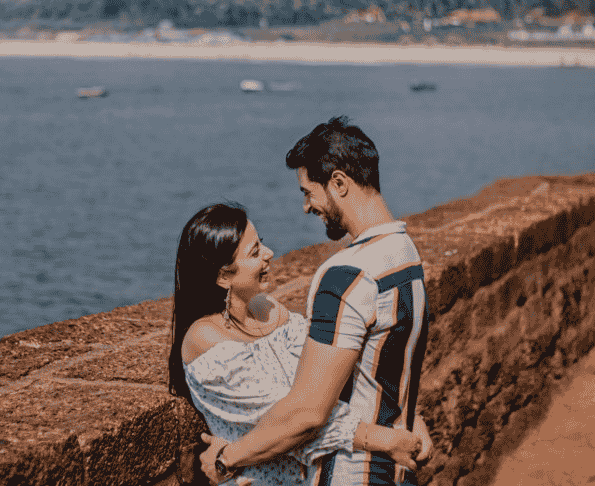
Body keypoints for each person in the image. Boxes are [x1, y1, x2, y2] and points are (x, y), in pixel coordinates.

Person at [198, 117, 432, 486]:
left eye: (309, 192)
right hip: (397, 471)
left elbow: (307, 412)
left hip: (352, 473)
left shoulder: (346, 274)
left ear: (338, 183)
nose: (307, 207)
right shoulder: (406, 255)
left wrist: (227, 458)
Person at [169, 203, 429, 486]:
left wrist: (407, 414)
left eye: (262, 245)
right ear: (223, 276)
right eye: (255, 253)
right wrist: (381, 438)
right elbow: (292, 419)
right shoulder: (204, 338)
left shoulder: (269, 309)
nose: (268, 255)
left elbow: (330, 373)